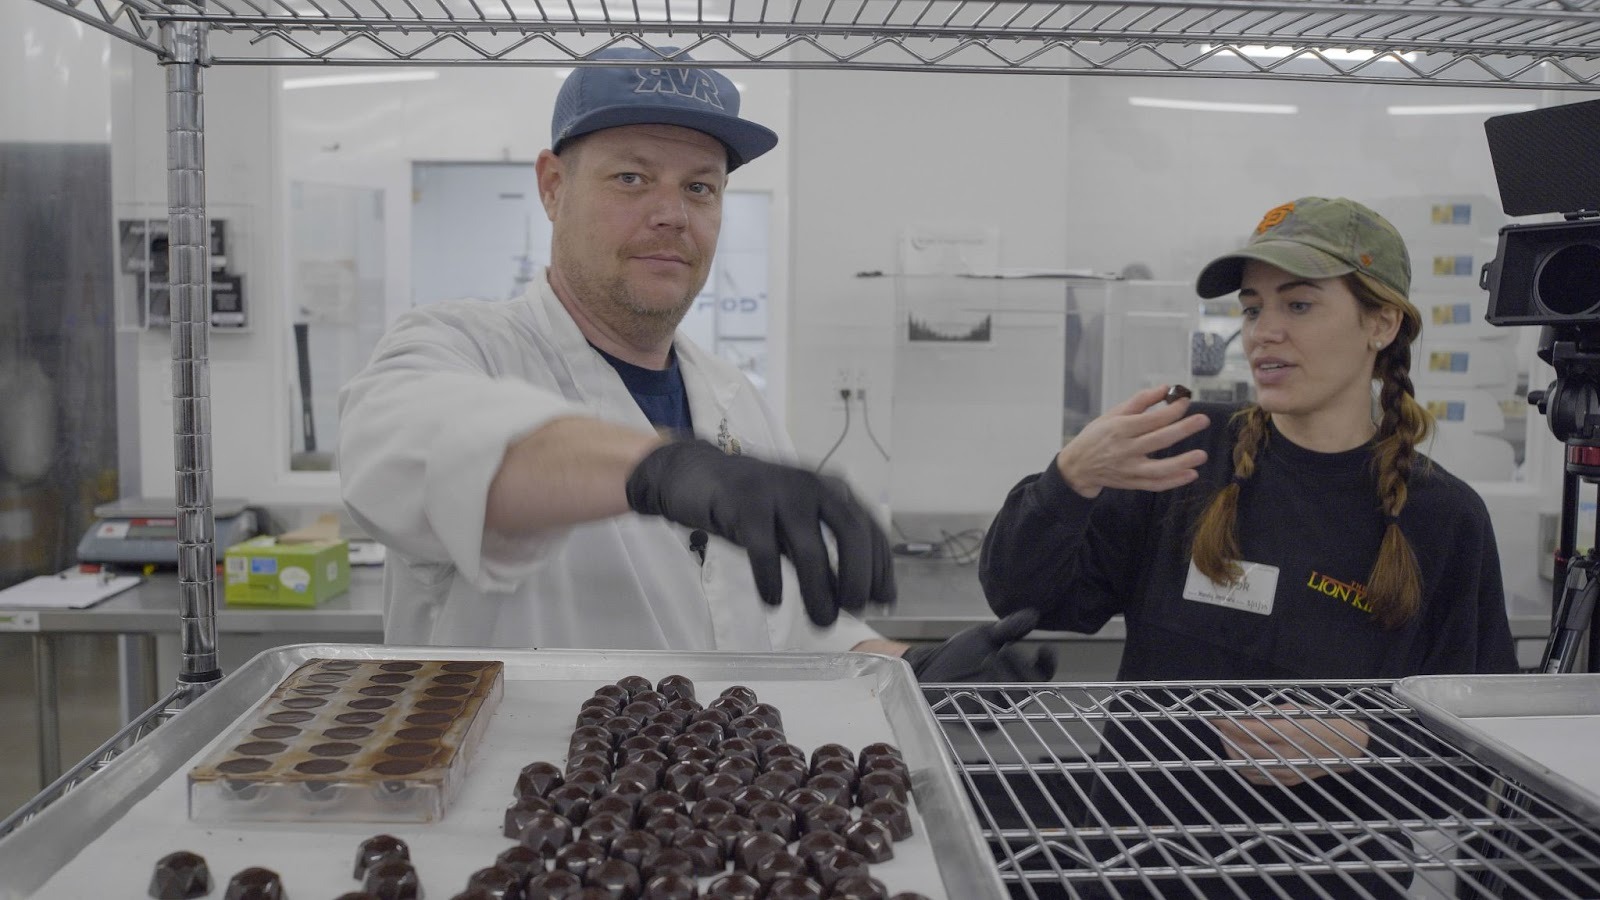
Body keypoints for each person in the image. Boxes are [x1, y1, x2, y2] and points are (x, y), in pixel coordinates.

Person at [338, 47, 1054, 684]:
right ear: (553, 186)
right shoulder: (466, 348)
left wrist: (909, 672)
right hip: (512, 812)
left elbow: (775, 629)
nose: (671, 214)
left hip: (708, 815)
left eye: (699, 187)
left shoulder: (731, 398)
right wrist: (659, 471)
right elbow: (401, 450)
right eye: (630, 178)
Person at [979, 197, 1517, 897]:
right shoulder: (1187, 455)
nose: (1264, 333)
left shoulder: (1444, 519)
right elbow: (1027, 597)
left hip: (1329, 878)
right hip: (1133, 867)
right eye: (1254, 308)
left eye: (1298, 307)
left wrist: (1367, 746)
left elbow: (1480, 760)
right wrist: (1068, 482)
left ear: (1381, 323)